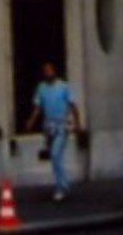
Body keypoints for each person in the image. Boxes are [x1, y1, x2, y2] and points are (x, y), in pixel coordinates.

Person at [24, 60, 82, 201]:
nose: (48, 73)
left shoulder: (63, 87)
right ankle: (62, 185)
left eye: (50, 70)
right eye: (45, 71)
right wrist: (31, 120)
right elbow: (38, 107)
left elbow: (73, 105)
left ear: (54, 71)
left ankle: (61, 187)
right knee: (55, 158)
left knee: (56, 154)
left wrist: (78, 124)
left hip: (62, 125)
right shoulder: (41, 88)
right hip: (49, 127)